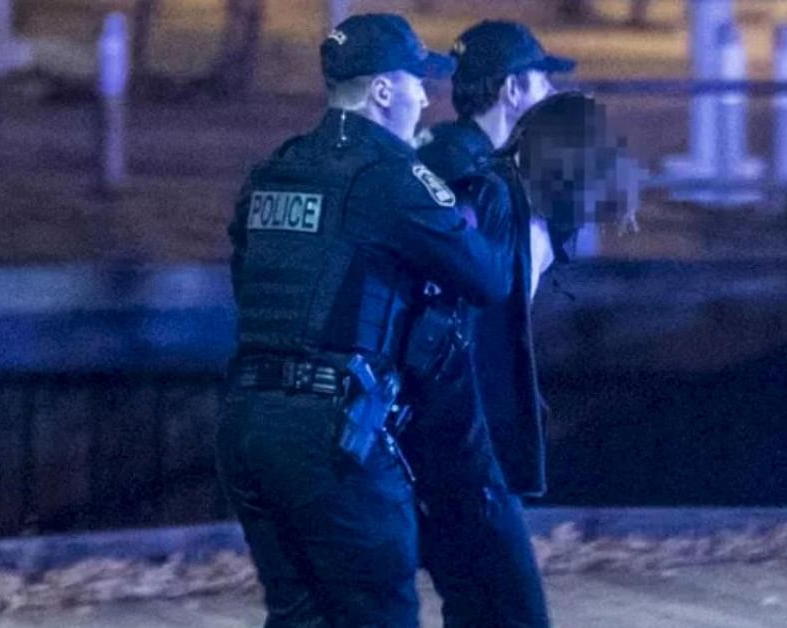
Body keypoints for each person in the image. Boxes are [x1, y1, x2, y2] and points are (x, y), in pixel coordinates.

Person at [218, 13, 512, 627]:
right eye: (416, 82)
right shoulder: (390, 177)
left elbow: (249, 279)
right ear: (382, 91)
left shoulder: (280, 167)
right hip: (332, 438)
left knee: (299, 616)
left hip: (248, 427)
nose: (426, 98)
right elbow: (487, 277)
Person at [400, 20, 577, 628]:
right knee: (514, 612)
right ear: (511, 91)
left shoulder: (425, 154)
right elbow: (496, 298)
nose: (551, 95)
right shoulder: (490, 182)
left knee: (470, 606)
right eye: (542, 81)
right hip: (465, 433)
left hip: (406, 429)